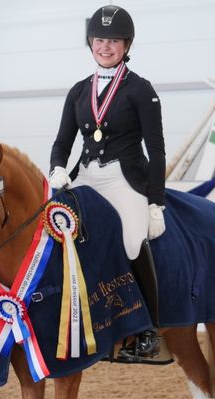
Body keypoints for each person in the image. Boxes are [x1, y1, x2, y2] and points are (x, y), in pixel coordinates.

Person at [49, 5, 166, 359]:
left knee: (132, 241)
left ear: (126, 45)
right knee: (53, 234)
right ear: (90, 43)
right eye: (100, 39)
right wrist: (57, 168)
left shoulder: (141, 89)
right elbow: (61, 143)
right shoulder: (78, 91)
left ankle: (149, 327)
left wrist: (155, 201)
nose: (105, 46)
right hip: (85, 175)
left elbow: (157, 150)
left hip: (124, 178)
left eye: (113, 40)